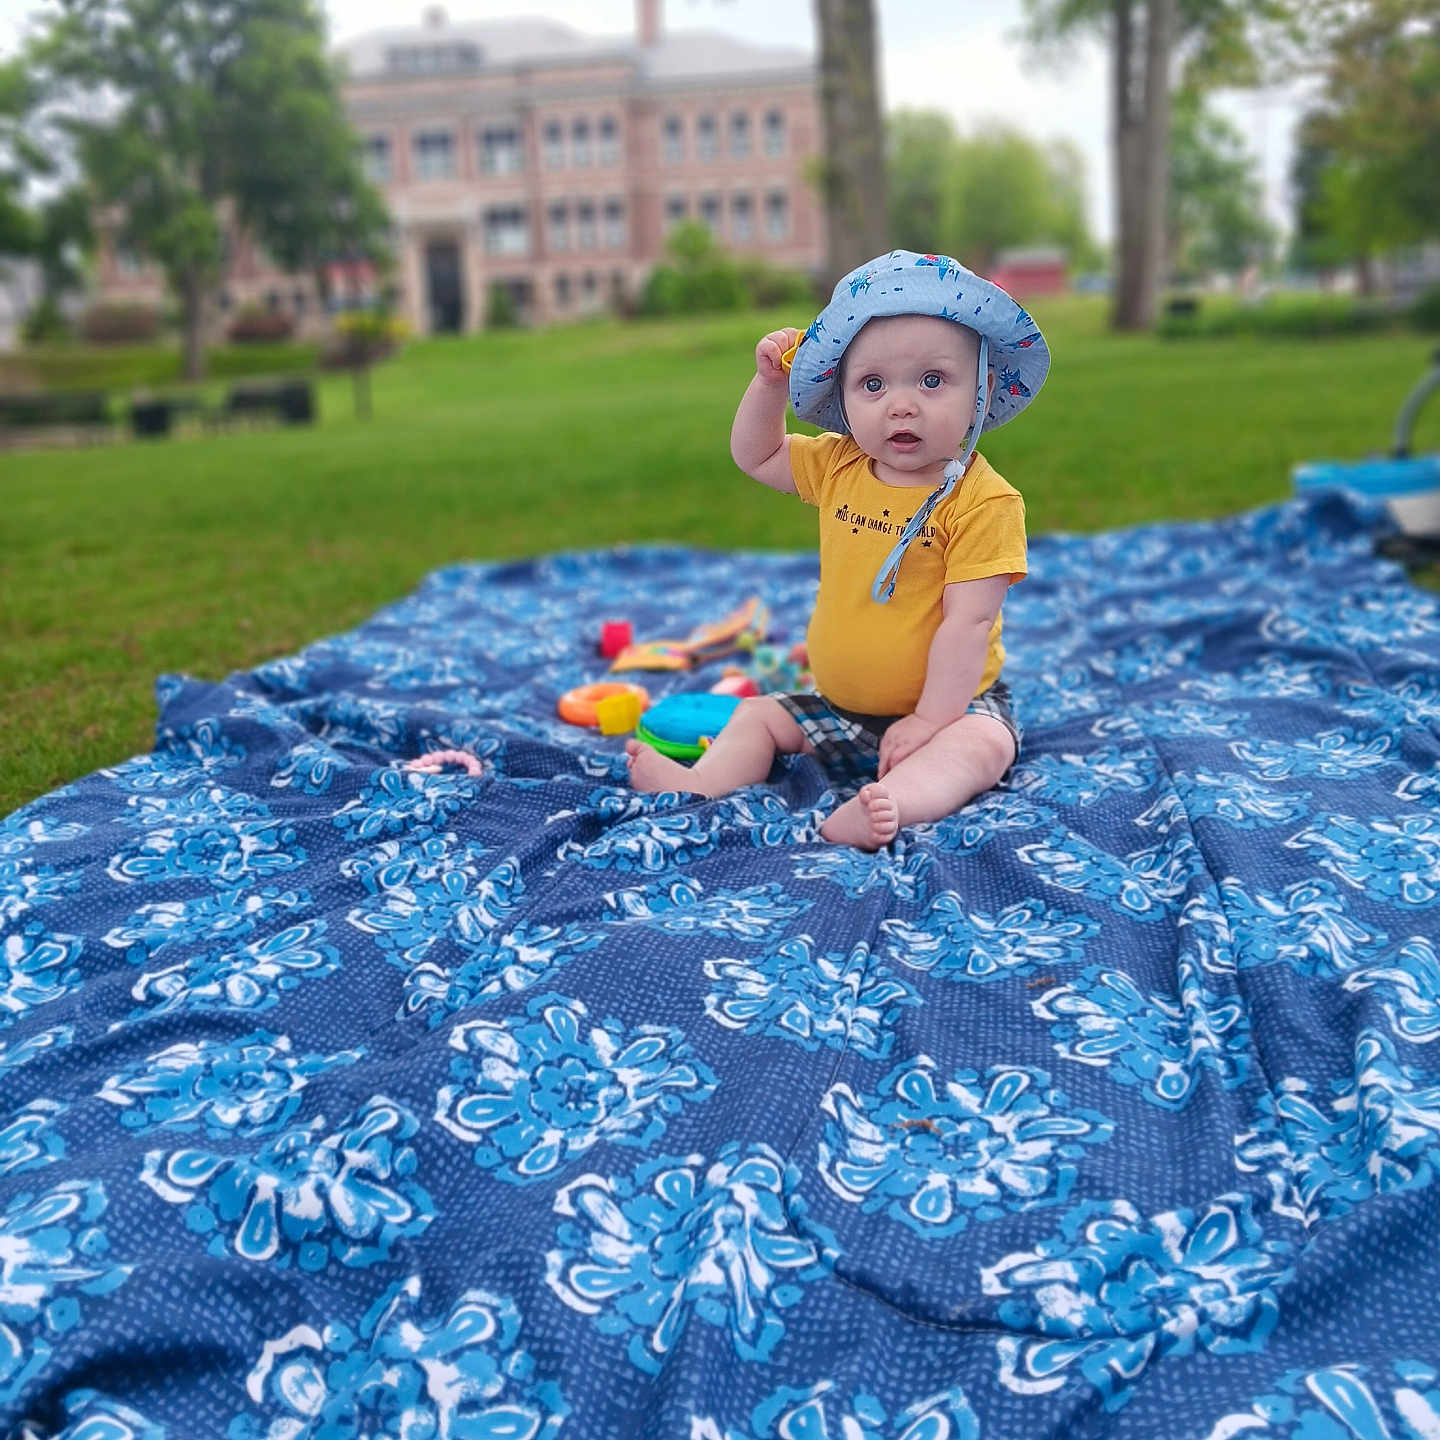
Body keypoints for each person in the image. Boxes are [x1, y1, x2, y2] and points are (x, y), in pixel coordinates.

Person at [625, 249, 1050, 849]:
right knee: (760, 716)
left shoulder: (984, 502)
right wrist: (768, 384)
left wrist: (931, 720)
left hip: (950, 706)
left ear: (980, 391)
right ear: (844, 397)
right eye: (872, 384)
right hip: (841, 706)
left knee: (983, 748)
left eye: (933, 380)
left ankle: (889, 807)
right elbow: (758, 455)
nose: (901, 404)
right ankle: (699, 786)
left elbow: (969, 623)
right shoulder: (840, 466)